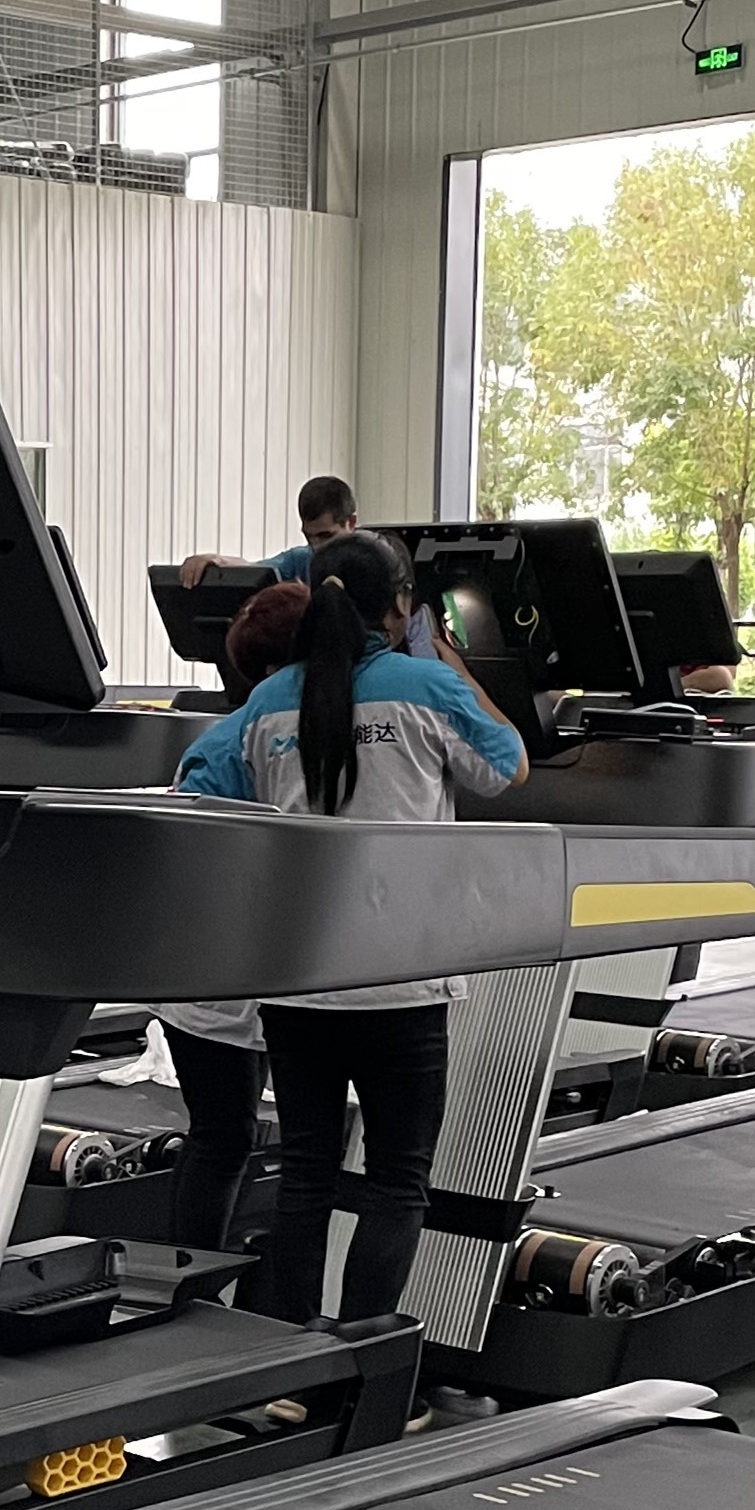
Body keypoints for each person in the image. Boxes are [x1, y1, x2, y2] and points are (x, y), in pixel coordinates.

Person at [174, 532, 527, 1324]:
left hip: (299, 983)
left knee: (306, 1177)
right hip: (401, 981)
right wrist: (446, 658)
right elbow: (509, 765)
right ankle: (365, 1356)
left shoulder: (268, 701)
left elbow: (210, 792)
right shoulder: (425, 685)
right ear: (400, 607)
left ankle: (292, 1358)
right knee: (398, 1181)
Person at [156, 577, 306, 1249]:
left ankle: (199, 1275)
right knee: (224, 1137)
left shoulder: (244, 735)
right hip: (220, 973)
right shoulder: (249, 742)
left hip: (230, 971)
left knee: (226, 1136)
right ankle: (190, 1278)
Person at [179, 474, 357, 594]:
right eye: (309, 537)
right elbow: (257, 571)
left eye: (326, 536)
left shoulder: (370, 563)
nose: (316, 546)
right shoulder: (301, 559)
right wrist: (216, 560)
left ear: (351, 523)